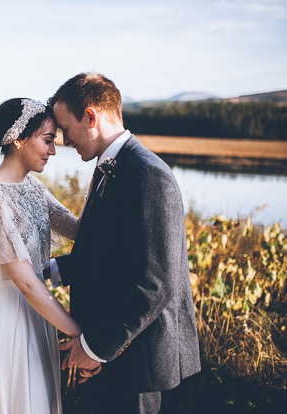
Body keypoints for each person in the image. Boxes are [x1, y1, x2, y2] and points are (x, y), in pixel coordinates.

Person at [47, 72, 202, 413]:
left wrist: (93, 347)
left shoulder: (147, 174)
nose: (64, 141)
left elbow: (154, 283)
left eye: (66, 129)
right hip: (118, 349)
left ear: (91, 117)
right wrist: (51, 271)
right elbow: (113, 255)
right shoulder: (112, 167)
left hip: (140, 360)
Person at [0, 98, 83, 414]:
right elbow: (27, 283)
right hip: (9, 314)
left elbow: (76, 229)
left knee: (40, 401)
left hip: (39, 313)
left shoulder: (33, 186)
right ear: (19, 140)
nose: (53, 150)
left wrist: (102, 176)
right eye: (47, 140)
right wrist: (80, 335)